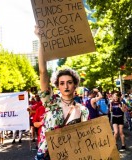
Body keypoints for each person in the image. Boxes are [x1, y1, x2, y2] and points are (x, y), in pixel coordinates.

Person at [34, 25, 89, 160]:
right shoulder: (51, 103)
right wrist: (41, 40)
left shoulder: (83, 110)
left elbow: (85, 139)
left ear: (75, 85)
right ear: (57, 86)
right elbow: (42, 72)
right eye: (62, 83)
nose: (66, 86)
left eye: (69, 82)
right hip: (46, 156)